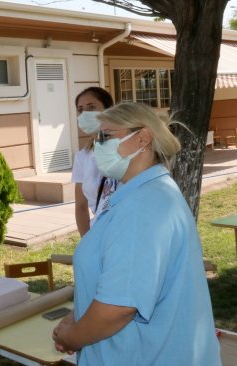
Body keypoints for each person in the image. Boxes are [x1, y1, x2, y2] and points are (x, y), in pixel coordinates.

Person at [52, 103, 221, 365]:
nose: (98, 146)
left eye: (106, 137)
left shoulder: (144, 207)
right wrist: (80, 317)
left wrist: (74, 337)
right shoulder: (142, 194)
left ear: (142, 138)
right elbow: (118, 278)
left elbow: (118, 307)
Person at [71, 87, 116, 236]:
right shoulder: (82, 156)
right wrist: (88, 243)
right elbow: (81, 207)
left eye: (91, 107)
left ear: (108, 109)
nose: (85, 114)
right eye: (80, 109)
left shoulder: (128, 147)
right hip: (101, 234)